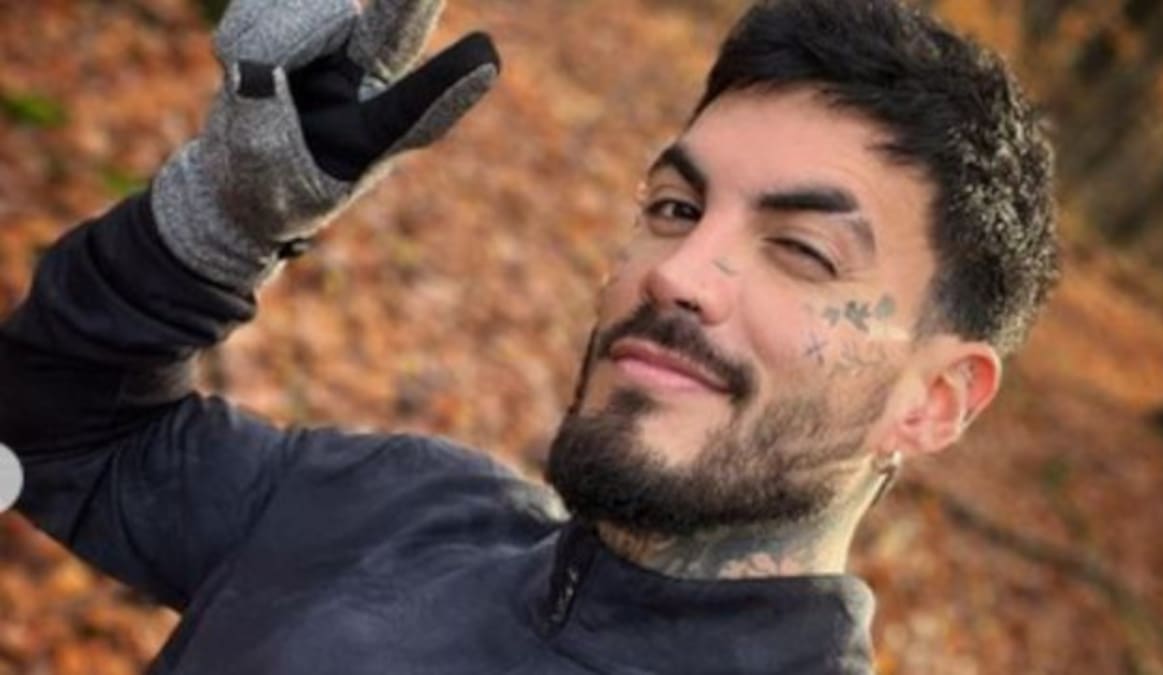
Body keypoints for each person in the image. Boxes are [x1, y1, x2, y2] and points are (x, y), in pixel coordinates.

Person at [0, 0, 1057, 672]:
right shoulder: (388, 509)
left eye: (804, 251)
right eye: (676, 209)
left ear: (936, 401)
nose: (679, 274)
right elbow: (62, 432)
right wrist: (227, 216)